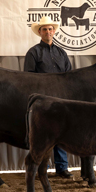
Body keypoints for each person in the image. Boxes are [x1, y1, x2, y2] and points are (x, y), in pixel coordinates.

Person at [24, 16, 73, 179]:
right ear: (40, 32)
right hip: (42, 102)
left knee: (62, 133)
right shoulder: (33, 53)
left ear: (54, 31)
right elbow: (28, 79)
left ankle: (62, 168)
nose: (48, 31)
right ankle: (42, 167)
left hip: (61, 100)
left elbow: (69, 77)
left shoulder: (62, 53)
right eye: (44, 29)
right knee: (42, 134)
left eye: (50, 29)